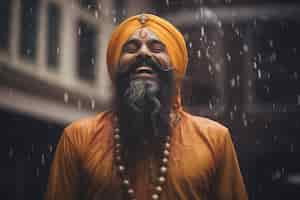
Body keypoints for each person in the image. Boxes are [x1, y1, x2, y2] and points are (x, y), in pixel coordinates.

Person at [45, 13, 248, 200]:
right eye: (131, 48)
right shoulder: (78, 138)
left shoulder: (215, 139)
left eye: (157, 48)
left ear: (174, 67)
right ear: (116, 68)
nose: (143, 53)